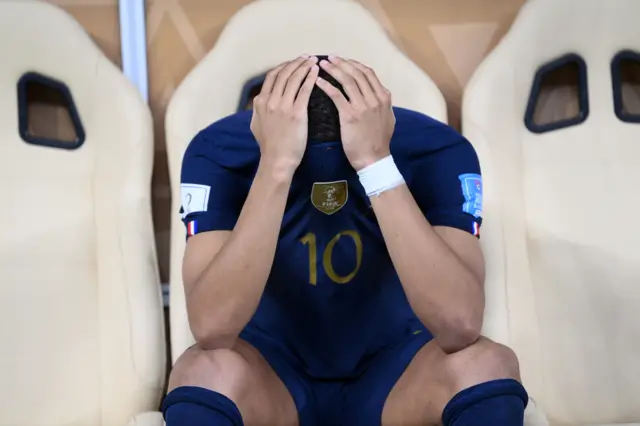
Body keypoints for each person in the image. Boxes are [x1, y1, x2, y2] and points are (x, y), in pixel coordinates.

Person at [162, 55, 528, 426]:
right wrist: (276, 164)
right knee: (201, 369)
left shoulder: (437, 147)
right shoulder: (219, 149)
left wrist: (374, 162)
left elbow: (460, 323)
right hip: (273, 376)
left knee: (487, 363)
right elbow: (212, 327)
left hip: (397, 372)